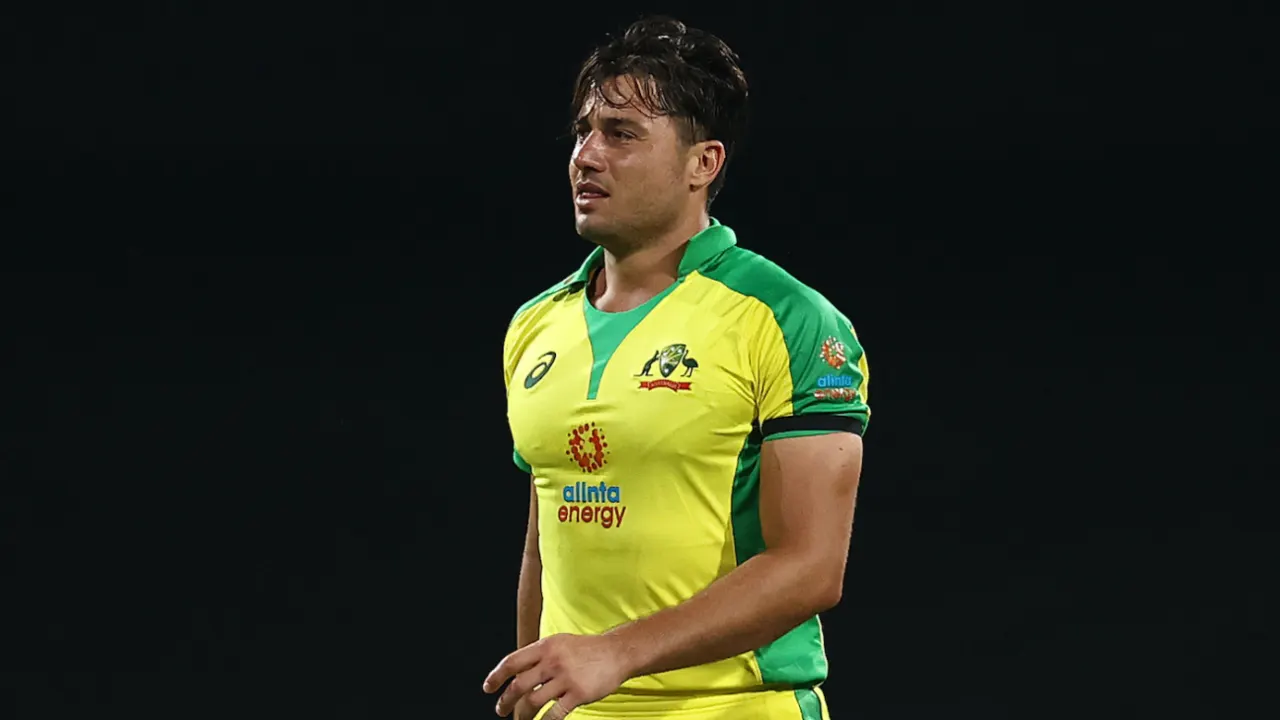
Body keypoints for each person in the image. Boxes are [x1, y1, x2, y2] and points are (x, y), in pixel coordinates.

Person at [484, 16, 870, 720]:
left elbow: (811, 569)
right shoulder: (535, 326)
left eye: (621, 134)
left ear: (703, 163)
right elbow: (544, 544)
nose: (586, 156)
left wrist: (616, 653)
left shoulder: (786, 319)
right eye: (583, 131)